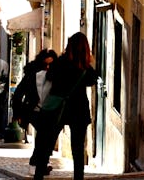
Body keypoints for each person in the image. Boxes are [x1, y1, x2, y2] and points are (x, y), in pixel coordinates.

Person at [30, 33, 99, 180]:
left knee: (46, 146)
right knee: (78, 150)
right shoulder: (85, 68)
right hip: (79, 110)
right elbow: (92, 80)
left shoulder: (60, 62)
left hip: (57, 108)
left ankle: (38, 176)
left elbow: (50, 77)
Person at [11, 49, 58, 134]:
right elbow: (19, 93)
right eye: (45, 65)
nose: (47, 67)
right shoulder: (31, 76)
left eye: (50, 65)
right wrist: (17, 114)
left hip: (52, 112)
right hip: (35, 112)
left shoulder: (57, 77)